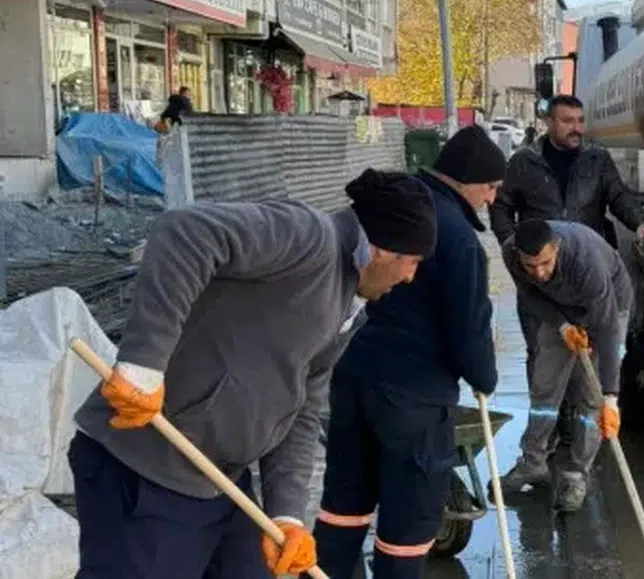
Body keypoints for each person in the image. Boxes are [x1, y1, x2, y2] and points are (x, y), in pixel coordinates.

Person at [69, 169, 438, 579]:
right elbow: (185, 231)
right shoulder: (308, 238)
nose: (410, 277)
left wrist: (287, 515)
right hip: (144, 468)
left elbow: (301, 408)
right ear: (382, 251)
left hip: (222, 484)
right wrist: (143, 363)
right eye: (413, 262)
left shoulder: (348, 305)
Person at [313, 126, 506, 578]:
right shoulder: (458, 239)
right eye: (491, 188)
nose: (493, 200)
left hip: (351, 378)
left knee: (343, 503)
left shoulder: (389, 209)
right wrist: (485, 377)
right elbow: (469, 333)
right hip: (413, 401)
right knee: (408, 526)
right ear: (465, 179)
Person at [490, 94, 644, 448]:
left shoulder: (596, 160)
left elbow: (619, 196)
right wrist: (515, 245)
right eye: (567, 121)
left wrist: (640, 224)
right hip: (539, 274)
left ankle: (580, 434)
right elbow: (502, 207)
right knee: (543, 356)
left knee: (590, 361)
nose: (576, 128)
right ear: (549, 122)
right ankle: (546, 439)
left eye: (580, 121)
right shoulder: (524, 162)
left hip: (584, 272)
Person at [498, 219, 633, 512]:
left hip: (608, 307)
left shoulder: (586, 262)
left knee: (590, 397)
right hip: (559, 309)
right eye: (531, 266)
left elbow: (608, 327)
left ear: (556, 248)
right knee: (544, 384)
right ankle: (533, 462)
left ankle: (576, 474)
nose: (540, 272)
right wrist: (561, 327)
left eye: (545, 263)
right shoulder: (511, 252)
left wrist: (610, 397)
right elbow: (531, 295)